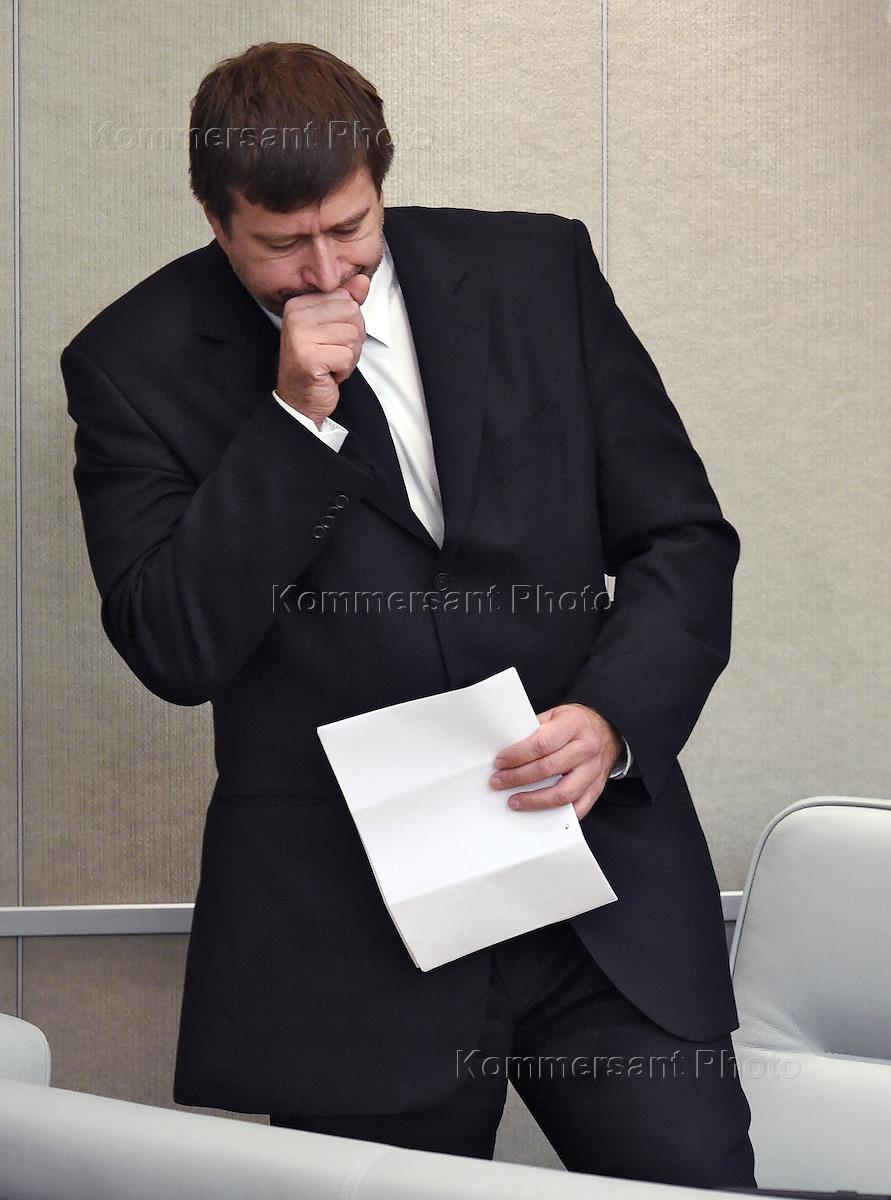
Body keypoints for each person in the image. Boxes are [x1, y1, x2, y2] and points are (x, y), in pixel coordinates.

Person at [61, 41, 756, 1188]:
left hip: (600, 891)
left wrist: (615, 719)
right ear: (215, 219)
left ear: (380, 179)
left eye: (351, 226)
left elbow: (681, 538)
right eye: (281, 244)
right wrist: (292, 424)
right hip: (353, 937)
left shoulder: (538, 270)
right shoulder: (129, 363)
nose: (326, 270)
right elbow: (173, 645)